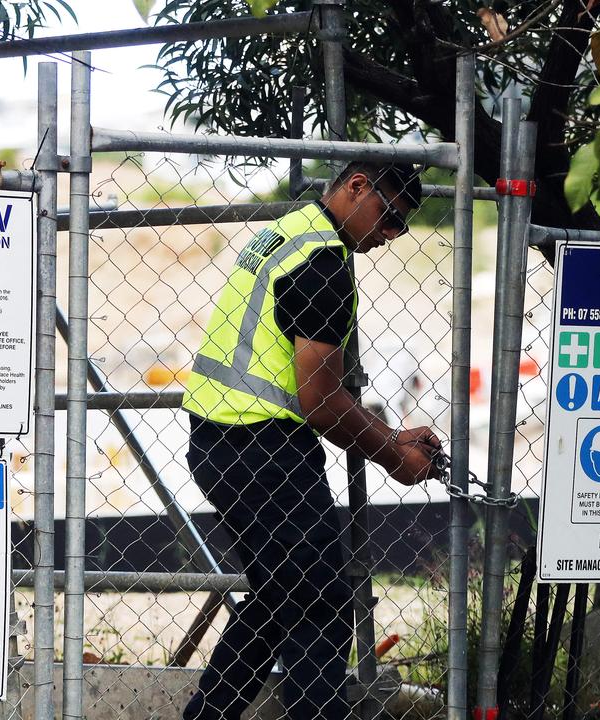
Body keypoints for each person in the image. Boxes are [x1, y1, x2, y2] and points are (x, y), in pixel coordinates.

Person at [180, 161, 444, 719]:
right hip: (262, 451)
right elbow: (320, 401)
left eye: (402, 226)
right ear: (356, 186)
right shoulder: (324, 265)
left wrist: (391, 435)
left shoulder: (292, 229)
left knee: (279, 600)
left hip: (217, 437)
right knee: (320, 605)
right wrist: (395, 455)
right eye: (389, 215)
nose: (391, 234)